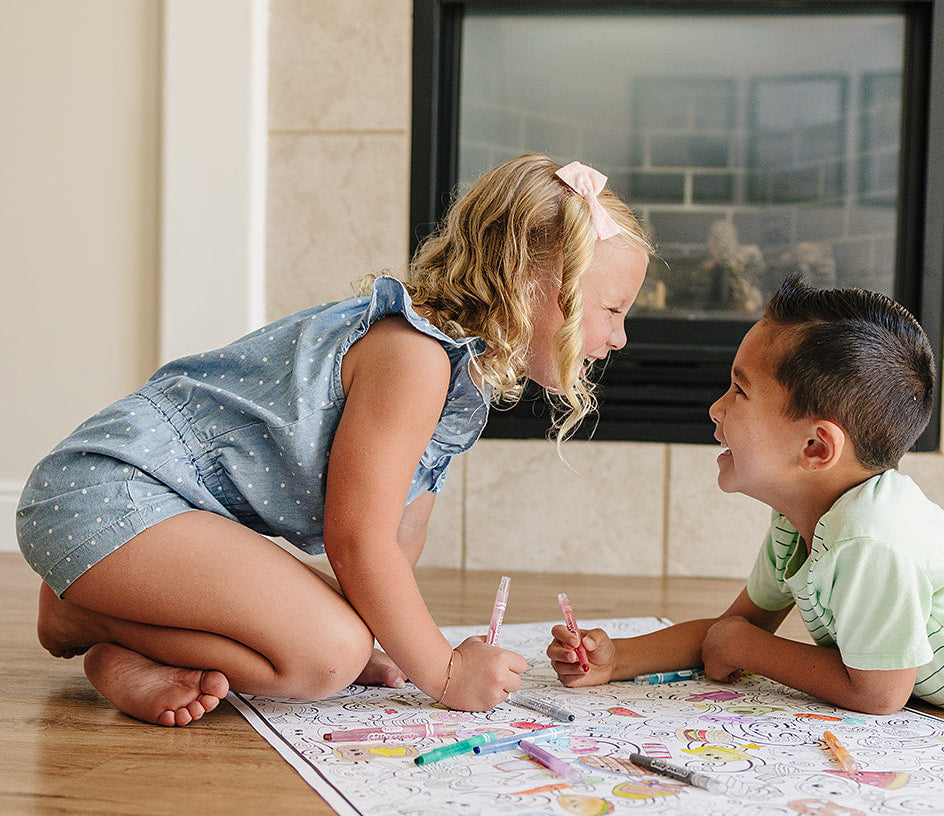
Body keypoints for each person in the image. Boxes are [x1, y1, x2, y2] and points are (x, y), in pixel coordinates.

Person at [18, 154, 651, 726]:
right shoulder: (413, 357)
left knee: (347, 644)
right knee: (327, 657)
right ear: (539, 289)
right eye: (613, 310)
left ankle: (115, 630)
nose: (618, 337)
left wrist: (387, 644)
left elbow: (397, 538)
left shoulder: (456, 378)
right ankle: (91, 619)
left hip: (158, 513)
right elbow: (358, 541)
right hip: (106, 492)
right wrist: (445, 672)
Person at [549, 273, 944, 719]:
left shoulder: (871, 540)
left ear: (817, 446)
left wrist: (751, 648)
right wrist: (617, 658)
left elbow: (880, 692)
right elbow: (732, 629)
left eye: (739, 391)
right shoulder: (797, 522)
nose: (715, 408)